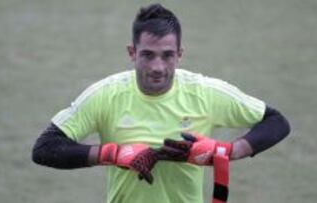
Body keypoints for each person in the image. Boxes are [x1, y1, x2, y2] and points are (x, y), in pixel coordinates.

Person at [32, 3, 290, 203]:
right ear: (132, 53)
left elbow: (277, 122)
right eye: (147, 55)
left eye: (167, 56)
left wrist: (225, 151)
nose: (157, 67)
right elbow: (45, 148)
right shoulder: (105, 95)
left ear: (180, 54)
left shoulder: (205, 92)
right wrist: (112, 154)